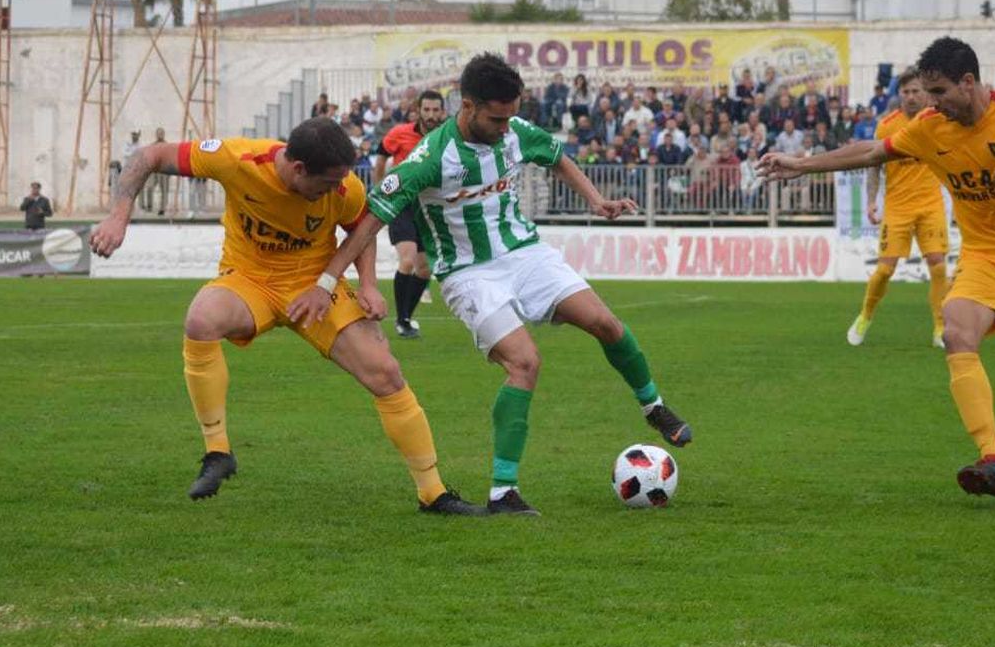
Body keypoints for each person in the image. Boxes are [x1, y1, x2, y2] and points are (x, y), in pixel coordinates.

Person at [287, 53, 694, 516]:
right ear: (468, 106)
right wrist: (327, 281)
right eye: (496, 118)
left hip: (525, 252)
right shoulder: (428, 158)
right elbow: (367, 223)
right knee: (525, 363)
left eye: (510, 116)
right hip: (468, 273)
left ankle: (653, 406)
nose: (506, 127)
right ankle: (504, 492)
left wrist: (597, 201)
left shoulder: (515, 131)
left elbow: (558, 156)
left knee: (606, 323)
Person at [87, 117, 483, 516]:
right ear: (298, 169)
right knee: (201, 320)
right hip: (249, 281)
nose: (336, 189)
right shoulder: (237, 159)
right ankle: (218, 452)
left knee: (385, 371)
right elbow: (148, 155)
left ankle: (432, 493)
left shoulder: (345, 186)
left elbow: (361, 228)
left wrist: (366, 285)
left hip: (316, 287)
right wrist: (119, 215)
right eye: (327, 183)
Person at [760, 37, 995, 501]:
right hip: (985, 258)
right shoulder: (931, 127)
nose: (931, 104)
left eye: (938, 93)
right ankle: (992, 459)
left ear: (968, 82)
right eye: (926, 93)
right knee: (958, 334)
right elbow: (870, 152)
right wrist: (802, 163)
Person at [848, 70, 950, 349]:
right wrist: (871, 201)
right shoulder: (887, 126)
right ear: (899, 95)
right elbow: (874, 166)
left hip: (930, 204)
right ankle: (865, 316)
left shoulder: (937, 120)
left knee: (939, 267)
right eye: (906, 92)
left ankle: (941, 328)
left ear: (925, 92)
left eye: (916, 91)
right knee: (884, 270)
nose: (912, 97)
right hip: (897, 207)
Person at [372, 89, 447, 340]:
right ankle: (402, 321)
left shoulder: (447, 136)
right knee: (407, 260)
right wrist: (382, 190)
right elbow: (381, 156)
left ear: (443, 111)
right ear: (419, 110)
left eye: (436, 110)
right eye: (427, 110)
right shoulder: (400, 133)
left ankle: (405, 318)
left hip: (428, 208)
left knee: (425, 270)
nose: (431, 115)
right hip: (402, 204)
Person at [144, 129, 170, 215]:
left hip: (164, 171)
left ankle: (162, 208)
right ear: (156, 135)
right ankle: (149, 206)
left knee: (164, 190)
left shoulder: (168, 146)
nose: (160, 135)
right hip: (154, 171)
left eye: (162, 133)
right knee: (149, 187)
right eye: (159, 133)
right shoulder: (152, 146)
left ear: (164, 134)